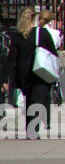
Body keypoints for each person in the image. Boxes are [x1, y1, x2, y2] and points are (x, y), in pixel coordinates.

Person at [2, 8, 39, 137]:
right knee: (36, 100)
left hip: (23, 73)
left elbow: (11, 59)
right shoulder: (38, 34)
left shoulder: (17, 37)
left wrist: (6, 79)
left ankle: (30, 128)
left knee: (29, 100)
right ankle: (34, 128)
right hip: (38, 71)